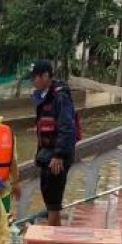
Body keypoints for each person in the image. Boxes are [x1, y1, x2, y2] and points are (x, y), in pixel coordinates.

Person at [30, 60, 79, 226]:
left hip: (56, 156)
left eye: (35, 78)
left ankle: (52, 236)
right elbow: (42, 127)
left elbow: (66, 126)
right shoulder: (45, 96)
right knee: (48, 196)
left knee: (53, 200)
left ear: (45, 76)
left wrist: (59, 155)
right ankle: (53, 231)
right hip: (46, 153)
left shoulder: (60, 96)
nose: (33, 81)